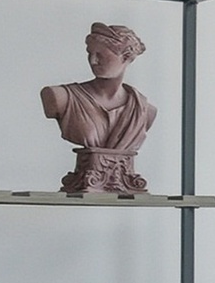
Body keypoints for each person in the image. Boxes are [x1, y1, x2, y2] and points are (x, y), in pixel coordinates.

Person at [42, 22, 155, 194]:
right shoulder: (60, 97)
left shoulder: (144, 109)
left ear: (125, 57)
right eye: (90, 54)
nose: (93, 60)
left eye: (101, 55)